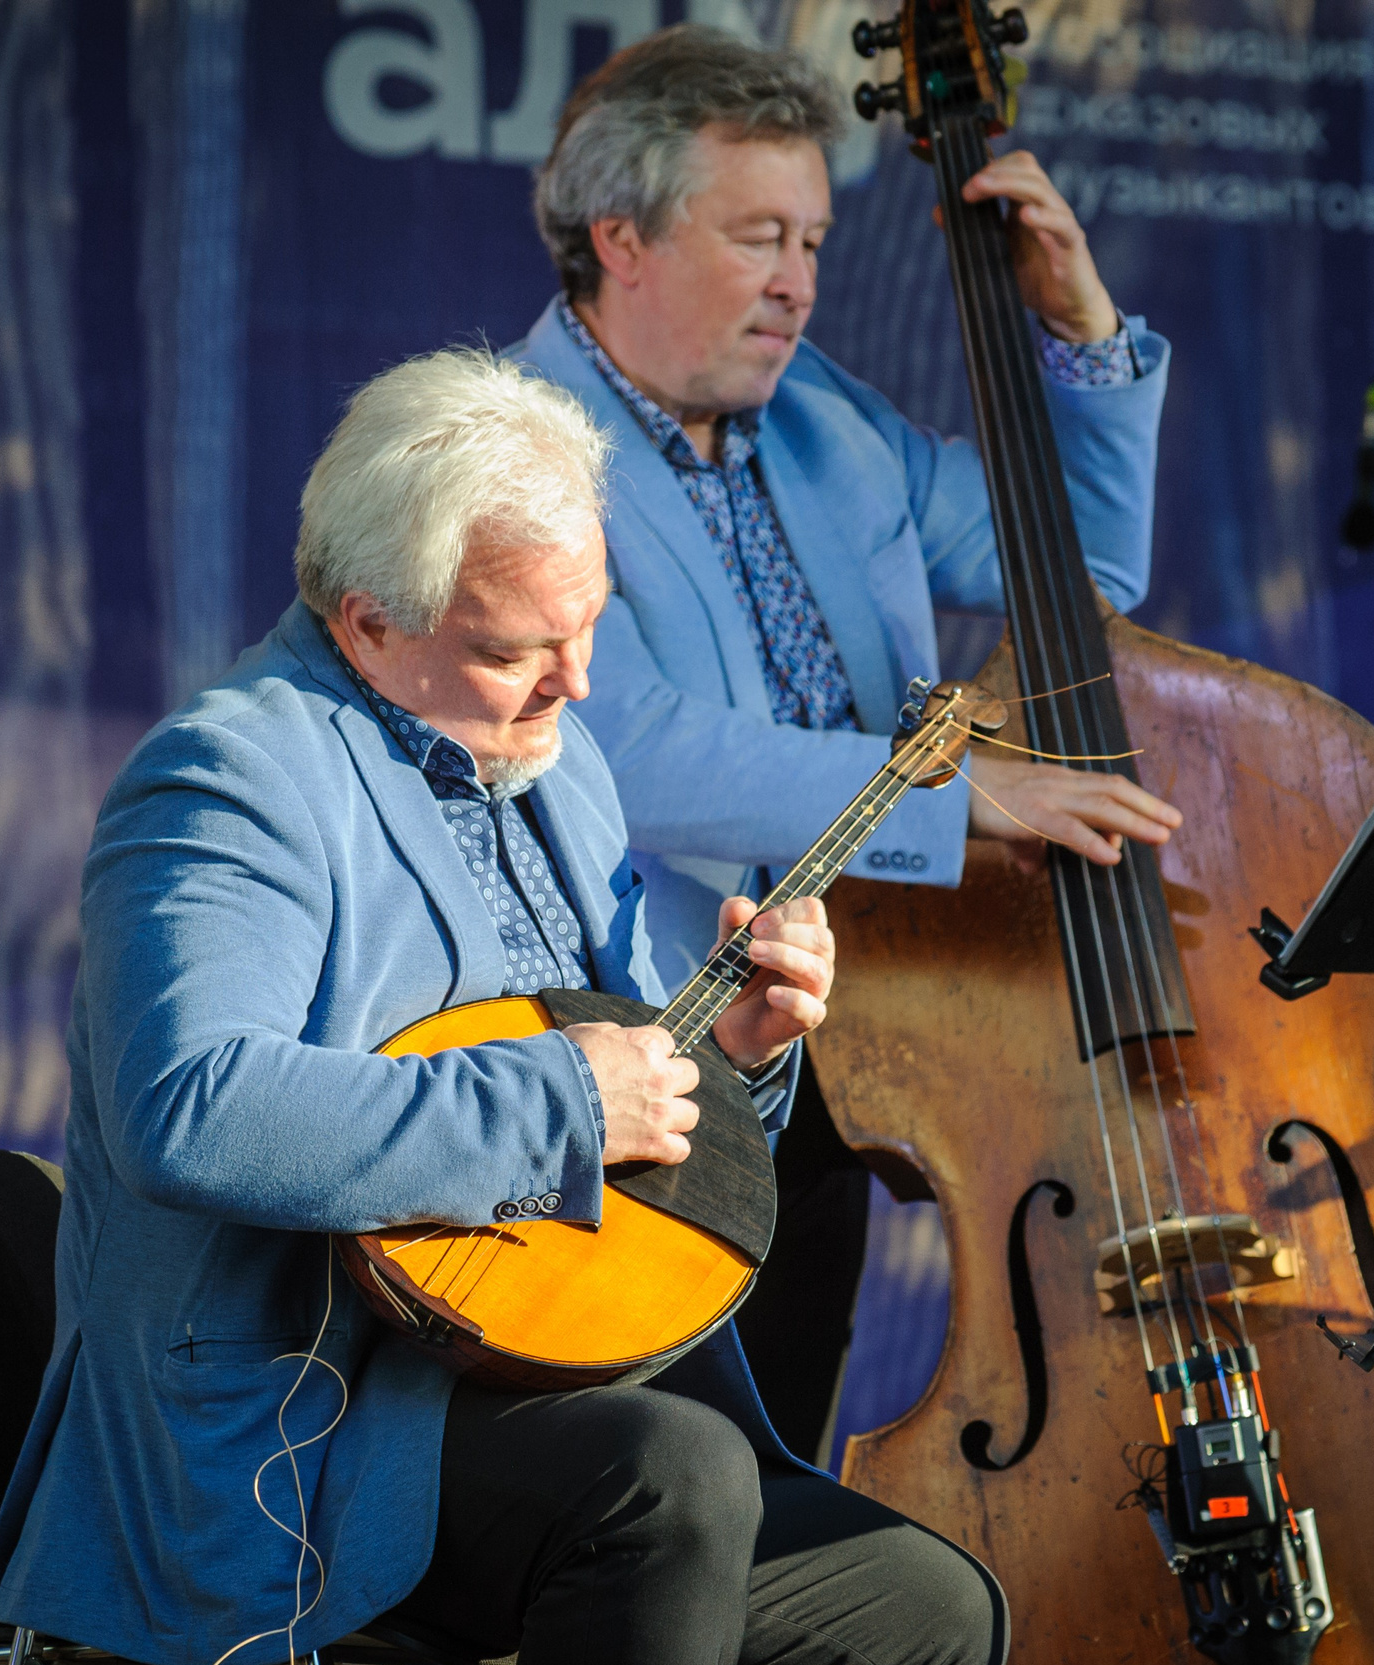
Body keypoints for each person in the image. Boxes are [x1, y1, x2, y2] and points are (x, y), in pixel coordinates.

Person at [0, 349, 1004, 1665]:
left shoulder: (558, 763)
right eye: (513, 650)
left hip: (542, 1365)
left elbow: (639, 1089)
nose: (573, 687)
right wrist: (567, 1106)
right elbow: (193, 1105)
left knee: (929, 1610)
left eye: (590, 627)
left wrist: (736, 1054)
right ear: (366, 625)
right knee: (668, 1486)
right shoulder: (231, 777)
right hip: (301, 1431)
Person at [503, 26, 1183, 1456]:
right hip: (648, 1058)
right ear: (620, 238)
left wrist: (1078, 332)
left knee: (774, 1490)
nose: (797, 282)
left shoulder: (824, 419)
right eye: (757, 236)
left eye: (810, 238)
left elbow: (1082, 575)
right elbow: (621, 746)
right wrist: (956, 786)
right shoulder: (516, 446)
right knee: (655, 1499)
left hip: (848, 1044)